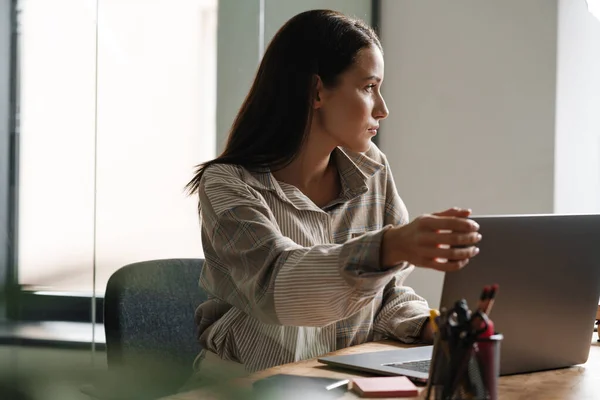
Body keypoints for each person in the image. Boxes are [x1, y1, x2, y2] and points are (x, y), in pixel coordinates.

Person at [185, 9, 481, 379]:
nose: (383, 109)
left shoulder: (373, 172)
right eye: (369, 87)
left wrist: (427, 325)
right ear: (317, 91)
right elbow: (279, 289)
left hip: (339, 381)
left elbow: (386, 294)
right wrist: (387, 247)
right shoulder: (228, 185)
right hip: (244, 386)